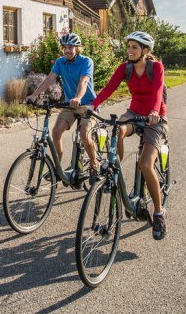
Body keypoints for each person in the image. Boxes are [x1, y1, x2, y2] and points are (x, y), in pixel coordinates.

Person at [89, 31, 168, 240]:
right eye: (129, 46)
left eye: (135, 47)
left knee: (145, 164)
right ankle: (115, 167)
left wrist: (154, 112)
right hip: (133, 113)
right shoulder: (125, 68)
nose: (130, 50)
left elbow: (158, 91)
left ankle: (159, 213)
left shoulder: (156, 67)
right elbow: (109, 88)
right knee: (117, 129)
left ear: (145, 50)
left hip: (155, 118)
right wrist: (93, 105)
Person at [27, 32, 99, 182]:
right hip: (70, 105)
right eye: (65, 47)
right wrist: (34, 95)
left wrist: (78, 97)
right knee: (56, 131)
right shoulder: (60, 62)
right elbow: (50, 79)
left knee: (85, 135)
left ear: (78, 48)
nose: (67, 50)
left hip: (87, 105)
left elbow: (84, 81)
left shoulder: (86, 62)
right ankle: (57, 167)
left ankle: (94, 163)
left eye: (71, 47)